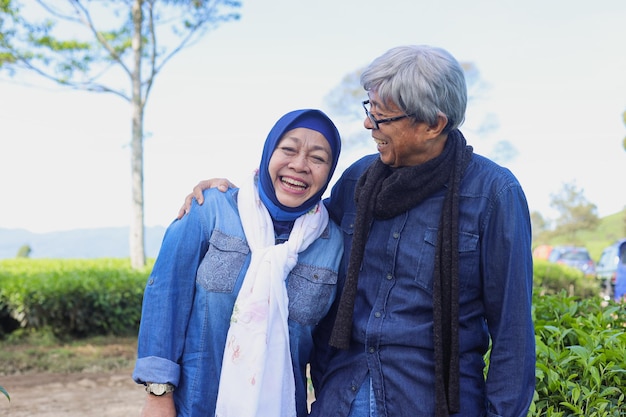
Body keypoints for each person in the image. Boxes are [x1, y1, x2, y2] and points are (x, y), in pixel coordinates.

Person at [178, 45, 536, 417]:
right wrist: (231, 199)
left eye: (382, 117)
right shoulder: (357, 182)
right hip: (340, 398)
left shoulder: (493, 194)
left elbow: (513, 333)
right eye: (370, 110)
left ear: (433, 125)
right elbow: (293, 234)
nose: (369, 125)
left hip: (430, 402)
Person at [133, 108, 344, 417]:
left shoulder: (333, 244)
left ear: (330, 170)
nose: (299, 165)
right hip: (194, 407)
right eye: (288, 149)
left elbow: (329, 350)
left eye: (317, 158)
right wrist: (157, 391)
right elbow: (166, 296)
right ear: (268, 151)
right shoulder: (211, 208)